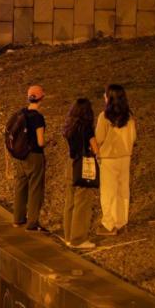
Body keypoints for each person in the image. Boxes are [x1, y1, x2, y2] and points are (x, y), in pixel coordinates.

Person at [96, 84, 137, 236]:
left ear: (109, 97)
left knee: (108, 192)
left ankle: (108, 224)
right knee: (123, 190)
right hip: (125, 157)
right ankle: (121, 222)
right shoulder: (129, 116)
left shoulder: (104, 117)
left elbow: (99, 138)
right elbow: (133, 137)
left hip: (108, 158)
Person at [62, 98, 99, 249]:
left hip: (70, 165)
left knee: (69, 202)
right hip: (83, 166)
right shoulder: (86, 128)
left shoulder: (68, 127)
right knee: (82, 203)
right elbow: (96, 148)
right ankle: (78, 239)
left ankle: (68, 236)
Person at [12, 85, 47, 232]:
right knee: (35, 188)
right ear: (42, 98)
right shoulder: (38, 118)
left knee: (20, 186)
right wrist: (47, 141)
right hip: (34, 156)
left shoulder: (21, 113)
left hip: (20, 156)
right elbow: (40, 142)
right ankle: (32, 222)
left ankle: (18, 219)